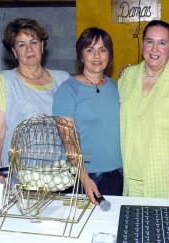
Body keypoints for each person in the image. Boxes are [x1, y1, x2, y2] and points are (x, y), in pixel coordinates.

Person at [119, 20, 169, 200]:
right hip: (133, 176)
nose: (154, 49)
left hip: (168, 177)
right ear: (142, 44)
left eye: (162, 43)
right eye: (149, 41)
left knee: (168, 228)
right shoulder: (128, 77)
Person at [0, 18, 69, 183]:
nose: (29, 49)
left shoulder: (63, 79)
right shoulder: (5, 80)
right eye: (21, 44)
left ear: (42, 45)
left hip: (55, 176)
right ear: (14, 51)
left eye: (33, 42)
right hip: (18, 175)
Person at [52, 27, 123, 204]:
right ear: (81, 55)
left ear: (109, 55)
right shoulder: (68, 90)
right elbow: (68, 140)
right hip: (84, 176)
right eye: (90, 50)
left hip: (118, 173)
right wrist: (83, 177)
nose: (97, 56)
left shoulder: (117, 87)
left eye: (102, 49)